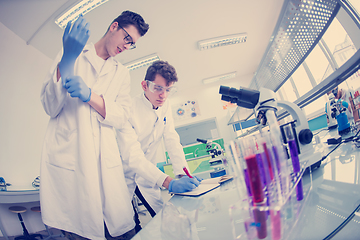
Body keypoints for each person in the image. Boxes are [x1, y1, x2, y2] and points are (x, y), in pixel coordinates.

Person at [40, 11, 199, 240]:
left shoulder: (121, 74)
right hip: (73, 164)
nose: (127, 46)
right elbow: (50, 106)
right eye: (127, 38)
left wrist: (90, 96)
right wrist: (67, 59)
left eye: (132, 44)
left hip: (109, 169)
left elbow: (122, 116)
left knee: (124, 230)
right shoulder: (72, 55)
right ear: (114, 26)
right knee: (82, 232)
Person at [117, 60, 201, 232]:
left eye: (168, 90)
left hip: (147, 175)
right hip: (122, 175)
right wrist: (168, 182)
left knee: (164, 217)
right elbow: (133, 156)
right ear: (144, 85)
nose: (163, 95)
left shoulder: (165, 105)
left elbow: (171, 137)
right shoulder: (128, 109)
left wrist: (182, 172)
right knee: (128, 227)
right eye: (158, 88)